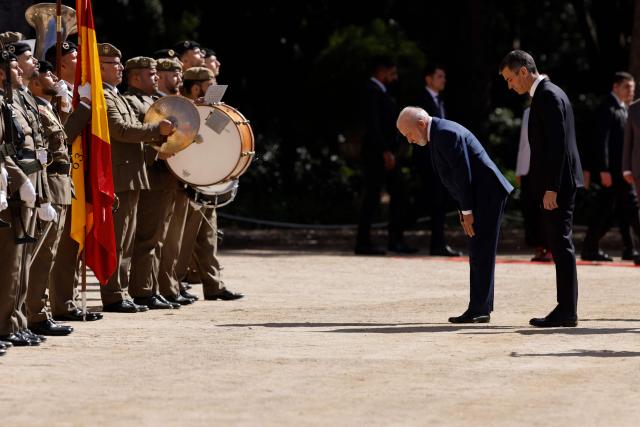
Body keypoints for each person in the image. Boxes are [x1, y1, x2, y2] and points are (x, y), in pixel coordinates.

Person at [397, 107, 513, 323]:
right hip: (479, 194)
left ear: (421, 124)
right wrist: (464, 208)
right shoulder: (438, 133)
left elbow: (462, 174)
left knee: (481, 249)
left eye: (409, 134)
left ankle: (479, 309)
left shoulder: (445, 134)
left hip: (487, 194)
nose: (409, 140)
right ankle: (480, 307)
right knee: (478, 249)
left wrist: (467, 211)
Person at [499, 50, 583, 327]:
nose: (510, 86)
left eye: (511, 79)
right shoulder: (550, 92)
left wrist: (552, 188)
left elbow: (558, 146)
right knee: (559, 244)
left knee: (561, 244)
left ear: (524, 71)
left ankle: (567, 310)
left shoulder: (547, 95)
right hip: (557, 183)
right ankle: (566, 308)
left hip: (557, 185)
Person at [98, 43, 175, 313]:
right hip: (120, 175)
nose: (119, 67)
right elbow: (120, 130)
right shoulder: (107, 96)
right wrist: (157, 130)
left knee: (129, 239)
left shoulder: (115, 95)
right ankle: (115, 294)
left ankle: (125, 292)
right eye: (113, 64)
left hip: (132, 173)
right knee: (119, 239)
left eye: (119, 63)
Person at [25, 60, 97, 334]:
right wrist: (83, 109)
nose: (55, 78)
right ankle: (35, 315)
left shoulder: (48, 108)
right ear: (35, 83)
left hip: (60, 185)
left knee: (50, 255)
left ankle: (37, 312)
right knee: (43, 256)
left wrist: (66, 110)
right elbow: (62, 140)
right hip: (49, 185)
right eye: (48, 74)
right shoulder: (37, 109)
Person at [0, 50, 53, 346]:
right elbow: (5, 152)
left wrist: (41, 191)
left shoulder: (17, 102)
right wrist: (18, 181)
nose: (22, 71)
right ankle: (6, 324)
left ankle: (15, 323)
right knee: (8, 262)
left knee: (20, 261)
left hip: (27, 182)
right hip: (12, 186)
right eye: (14, 68)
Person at [123, 56, 181, 310]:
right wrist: (158, 150)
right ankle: (142, 290)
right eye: (151, 74)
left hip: (162, 172)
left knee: (157, 237)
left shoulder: (153, 100)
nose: (156, 78)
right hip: (149, 171)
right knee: (147, 236)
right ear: (135, 77)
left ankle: (150, 288)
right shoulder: (130, 100)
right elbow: (137, 134)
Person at [356, 55, 416, 255]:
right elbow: (373, 126)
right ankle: (364, 242)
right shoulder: (371, 91)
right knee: (372, 196)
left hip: (385, 152)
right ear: (381, 71)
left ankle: (395, 239)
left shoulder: (383, 92)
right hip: (377, 154)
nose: (394, 77)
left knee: (398, 193)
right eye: (391, 73)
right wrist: (385, 151)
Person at [582, 72, 640, 263]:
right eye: (627, 87)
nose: (631, 91)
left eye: (632, 87)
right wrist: (604, 169)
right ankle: (591, 248)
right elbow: (601, 141)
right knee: (630, 207)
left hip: (620, 170)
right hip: (613, 171)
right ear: (616, 87)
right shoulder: (607, 107)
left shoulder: (623, 108)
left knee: (609, 211)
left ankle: (593, 248)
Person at [413, 64, 461, 257]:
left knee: (439, 202)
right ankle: (435, 244)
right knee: (431, 201)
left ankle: (438, 244)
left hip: (440, 159)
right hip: (428, 159)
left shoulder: (439, 100)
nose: (444, 79)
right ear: (429, 78)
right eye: (440, 76)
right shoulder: (421, 101)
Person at [516, 105, 551, 262]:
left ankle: (550, 247)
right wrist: (519, 169)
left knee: (546, 209)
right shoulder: (527, 112)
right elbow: (523, 142)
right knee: (530, 209)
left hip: (544, 167)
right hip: (527, 168)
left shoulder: (552, 109)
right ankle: (538, 247)